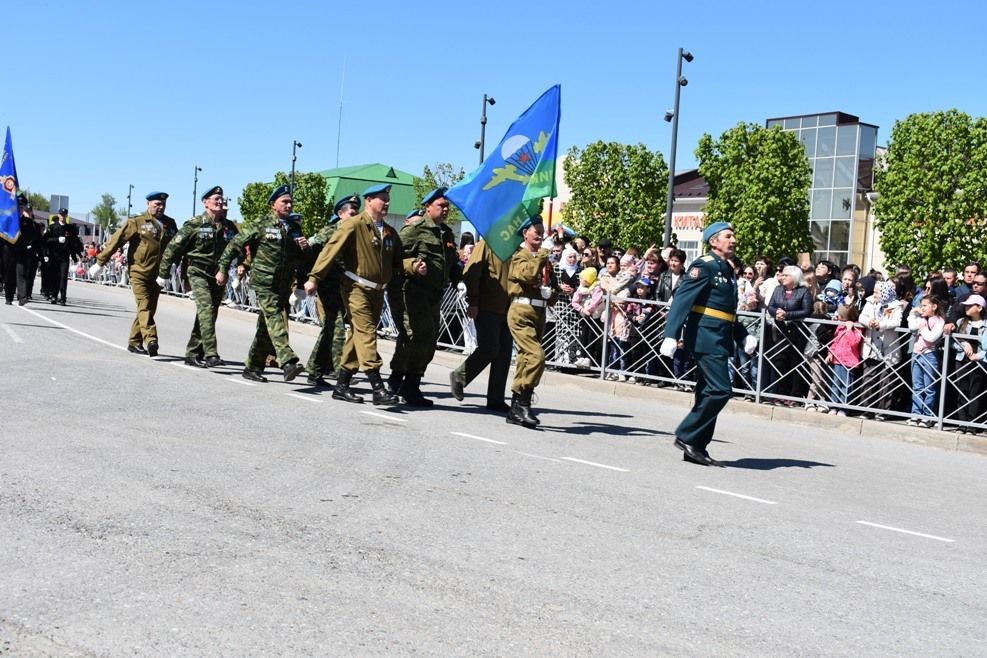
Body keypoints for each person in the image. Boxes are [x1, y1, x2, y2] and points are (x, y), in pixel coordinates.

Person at [660, 222, 757, 466]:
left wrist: (742, 335)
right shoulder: (704, 266)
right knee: (721, 389)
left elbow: (725, 311)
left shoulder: (726, 269)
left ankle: (696, 446)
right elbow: (682, 300)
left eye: (733, 236)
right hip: (704, 336)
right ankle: (686, 434)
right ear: (714, 241)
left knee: (707, 392)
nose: (733, 240)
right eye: (728, 236)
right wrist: (670, 334)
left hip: (720, 337)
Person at [304, 183, 407, 405]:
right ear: (369, 201)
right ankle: (378, 388)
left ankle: (342, 385)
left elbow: (399, 261)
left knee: (356, 337)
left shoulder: (389, 231)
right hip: (355, 288)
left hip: (378, 291)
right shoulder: (354, 224)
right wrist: (314, 278)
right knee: (367, 333)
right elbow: (329, 250)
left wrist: (414, 266)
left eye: (387, 199)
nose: (386, 202)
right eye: (381, 198)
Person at [217, 185, 309, 382]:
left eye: (290, 201)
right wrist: (223, 269)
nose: (289, 205)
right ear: (273, 205)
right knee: (275, 318)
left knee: (265, 327)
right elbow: (235, 245)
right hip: (264, 282)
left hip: (283, 284)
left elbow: (301, 259)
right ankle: (287, 361)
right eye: (284, 201)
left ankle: (253, 366)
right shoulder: (260, 223)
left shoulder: (294, 227)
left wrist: (303, 249)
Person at [388, 187, 458, 406]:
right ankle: (407, 384)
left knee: (427, 340)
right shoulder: (415, 230)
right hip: (412, 292)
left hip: (434, 295)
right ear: (428, 207)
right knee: (417, 337)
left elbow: (450, 262)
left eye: (447, 206)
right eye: (441, 205)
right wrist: (412, 266)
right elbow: (393, 257)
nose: (445, 210)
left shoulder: (446, 233)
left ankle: (402, 380)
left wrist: (460, 278)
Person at [156, 185, 238, 368]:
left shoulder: (229, 226)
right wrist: (163, 273)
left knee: (209, 313)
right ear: (205, 203)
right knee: (207, 309)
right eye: (215, 199)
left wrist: (239, 266)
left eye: (221, 199)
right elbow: (173, 248)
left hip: (218, 274)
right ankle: (211, 354)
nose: (219, 201)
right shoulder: (195, 224)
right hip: (197, 271)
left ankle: (193, 353)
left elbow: (239, 248)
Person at [89, 192, 178, 355]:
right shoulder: (137, 222)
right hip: (139, 271)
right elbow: (117, 240)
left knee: (149, 308)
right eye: (156, 204)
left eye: (162, 204)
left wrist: (173, 264)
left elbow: (175, 247)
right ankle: (151, 339)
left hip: (158, 274)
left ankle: (134, 341)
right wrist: (100, 261)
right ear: (148, 204)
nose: (160, 207)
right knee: (144, 305)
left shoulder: (170, 224)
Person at [449, 239, 514, 412]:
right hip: (487, 306)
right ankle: (459, 376)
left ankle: (496, 399)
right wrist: (473, 301)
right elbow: (473, 271)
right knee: (490, 348)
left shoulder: (516, 247)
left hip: (509, 308)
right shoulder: (488, 243)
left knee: (504, 353)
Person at [506, 215, 558, 428]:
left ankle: (515, 408)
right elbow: (527, 274)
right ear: (525, 233)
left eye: (541, 230)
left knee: (525, 359)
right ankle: (525, 401)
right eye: (535, 230)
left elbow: (553, 287)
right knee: (536, 356)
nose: (539, 233)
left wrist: (550, 292)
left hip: (539, 311)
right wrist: (543, 254)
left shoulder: (544, 260)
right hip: (521, 310)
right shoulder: (520, 255)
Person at [302, 194, 360, 386]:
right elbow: (310, 252)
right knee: (335, 327)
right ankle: (338, 371)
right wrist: (311, 280)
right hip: (328, 286)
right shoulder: (329, 231)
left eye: (356, 212)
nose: (355, 215)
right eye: (351, 212)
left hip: (347, 287)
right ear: (340, 214)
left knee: (330, 329)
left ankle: (315, 370)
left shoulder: (357, 234)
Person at [767, 265, 813, 402]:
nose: (782, 277)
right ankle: (782, 392)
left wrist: (788, 315)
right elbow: (770, 306)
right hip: (781, 331)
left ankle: (795, 395)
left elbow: (806, 310)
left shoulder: (803, 291)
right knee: (779, 361)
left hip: (797, 332)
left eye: (786, 275)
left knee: (795, 363)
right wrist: (777, 313)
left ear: (794, 277)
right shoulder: (778, 289)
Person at [906, 295, 945, 427]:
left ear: (934, 307)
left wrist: (922, 328)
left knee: (929, 388)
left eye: (925, 305)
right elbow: (911, 327)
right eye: (921, 305)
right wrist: (913, 313)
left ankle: (927, 416)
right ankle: (915, 414)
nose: (922, 308)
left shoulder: (939, 321)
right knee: (917, 387)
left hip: (929, 355)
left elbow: (931, 337)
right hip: (916, 354)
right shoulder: (921, 319)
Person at [950, 294, 986, 433]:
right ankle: (961, 422)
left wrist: (980, 355)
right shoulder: (961, 322)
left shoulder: (986, 324)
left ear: (979, 308)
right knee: (962, 390)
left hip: (980, 362)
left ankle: (972, 424)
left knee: (975, 392)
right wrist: (963, 344)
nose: (966, 308)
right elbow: (952, 342)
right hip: (962, 360)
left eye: (970, 306)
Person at [3, 195, 44, 306]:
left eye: (22, 207)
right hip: (9, 250)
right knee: (9, 275)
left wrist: (30, 245)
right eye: (18, 206)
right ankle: (9, 297)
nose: (20, 209)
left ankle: (22, 297)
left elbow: (35, 237)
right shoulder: (8, 220)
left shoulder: (28, 222)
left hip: (22, 251)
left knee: (21, 274)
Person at [827, 304, 863, 416]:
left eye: (840, 315)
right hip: (837, 359)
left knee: (846, 385)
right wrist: (830, 352)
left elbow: (854, 342)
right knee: (835, 383)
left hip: (849, 361)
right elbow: (835, 341)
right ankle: (833, 405)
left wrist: (849, 330)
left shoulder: (857, 327)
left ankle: (844, 407)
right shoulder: (839, 325)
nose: (838, 316)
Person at [43, 208, 83, 305]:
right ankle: (54, 296)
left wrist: (79, 255)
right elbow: (46, 241)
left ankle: (63, 298)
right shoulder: (52, 227)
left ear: (66, 216)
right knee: (54, 276)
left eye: (64, 214)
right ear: (58, 215)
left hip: (64, 256)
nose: (63, 216)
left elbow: (74, 243)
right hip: (54, 255)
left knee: (63, 277)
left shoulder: (70, 228)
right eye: (61, 214)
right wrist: (57, 240)